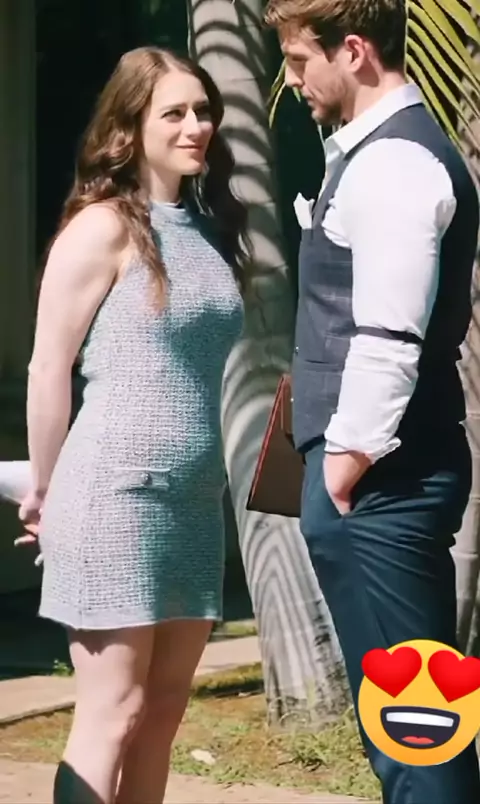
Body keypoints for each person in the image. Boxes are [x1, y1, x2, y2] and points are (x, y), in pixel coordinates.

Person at [18, 46, 249, 804]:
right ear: (130, 128)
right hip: (115, 497)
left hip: (194, 503)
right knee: (112, 713)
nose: (196, 127)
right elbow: (48, 368)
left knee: (161, 717)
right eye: (174, 113)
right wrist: (44, 489)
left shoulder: (206, 228)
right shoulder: (102, 227)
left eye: (203, 111)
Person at [264, 1, 480, 802]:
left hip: (382, 484)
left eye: (298, 60)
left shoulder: (394, 165)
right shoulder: (376, 154)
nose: (292, 80)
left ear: (352, 51)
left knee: (416, 739)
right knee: (410, 730)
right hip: (380, 481)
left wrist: (344, 464)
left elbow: (389, 336)